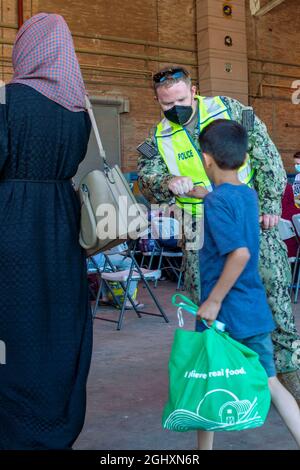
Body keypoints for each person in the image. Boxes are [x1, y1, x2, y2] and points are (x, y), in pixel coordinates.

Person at [137, 66, 300, 402]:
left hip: (250, 219)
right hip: (200, 232)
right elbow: (148, 178)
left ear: (193, 90)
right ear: (157, 101)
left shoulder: (228, 109)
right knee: (213, 309)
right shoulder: (158, 137)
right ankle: (233, 381)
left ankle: (289, 380)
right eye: (167, 104)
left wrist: (271, 205)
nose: (176, 108)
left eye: (181, 99)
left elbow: (265, 154)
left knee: (275, 302)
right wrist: (166, 181)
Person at [0, 14, 92, 449]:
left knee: (14, 322)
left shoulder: (7, 99)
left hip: (11, 223)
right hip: (61, 223)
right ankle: (57, 421)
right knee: (58, 318)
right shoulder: (79, 110)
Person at [196, 119, 300, 450]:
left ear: (206, 158)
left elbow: (238, 254)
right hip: (254, 309)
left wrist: (212, 301)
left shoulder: (215, 202)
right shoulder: (248, 194)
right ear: (244, 159)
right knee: (270, 382)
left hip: (225, 313)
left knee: (207, 387)